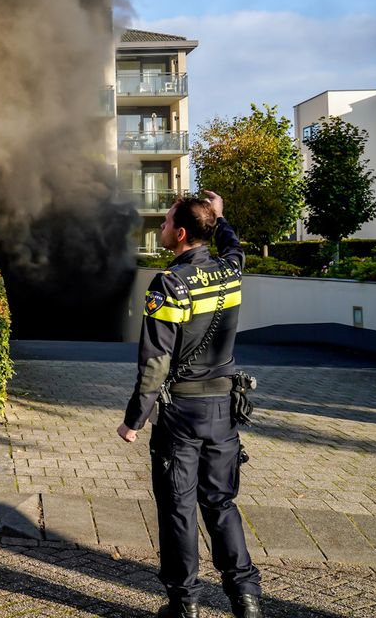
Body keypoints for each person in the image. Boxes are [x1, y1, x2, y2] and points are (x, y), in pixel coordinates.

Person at [117, 191, 261, 618]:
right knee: (220, 503)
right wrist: (222, 216)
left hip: (180, 415)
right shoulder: (230, 271)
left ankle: (185, 605)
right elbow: (233, 247)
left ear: (179, 234)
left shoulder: (168, 284)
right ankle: (246, 599)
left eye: (163, 224)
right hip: (223, 411)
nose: (159, 229)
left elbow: (156, 361)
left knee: (179, 508)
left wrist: (134, 419)